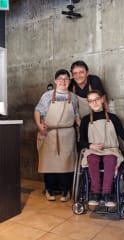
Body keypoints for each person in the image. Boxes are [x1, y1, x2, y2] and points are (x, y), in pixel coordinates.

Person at [79, 90, 124, 207]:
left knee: (110, 159)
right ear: (89, 104)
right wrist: (90, 145)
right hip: (93, 150)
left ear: (102, 100)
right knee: (92, 159)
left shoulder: (113, 118)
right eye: (91, 101)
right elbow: (81, 141)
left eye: (96, 99)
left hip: (111, 149)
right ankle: (95, 193)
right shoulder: (86, 120)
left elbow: (123, 134)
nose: (94, 103)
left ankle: (107, 194)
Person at [34, 69, 81, 202]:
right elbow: (38, 110)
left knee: (67, 164)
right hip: (49, 133)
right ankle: (49, 189)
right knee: (48, 164)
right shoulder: (47, 96)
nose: (63, 82)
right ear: (55, 81)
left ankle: (66, 191)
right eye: (60, 79)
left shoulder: (74, 97)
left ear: (69, 81)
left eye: (66, 79)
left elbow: (77, 115)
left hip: (67, 134)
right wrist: (39, 125)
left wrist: (82, 128)